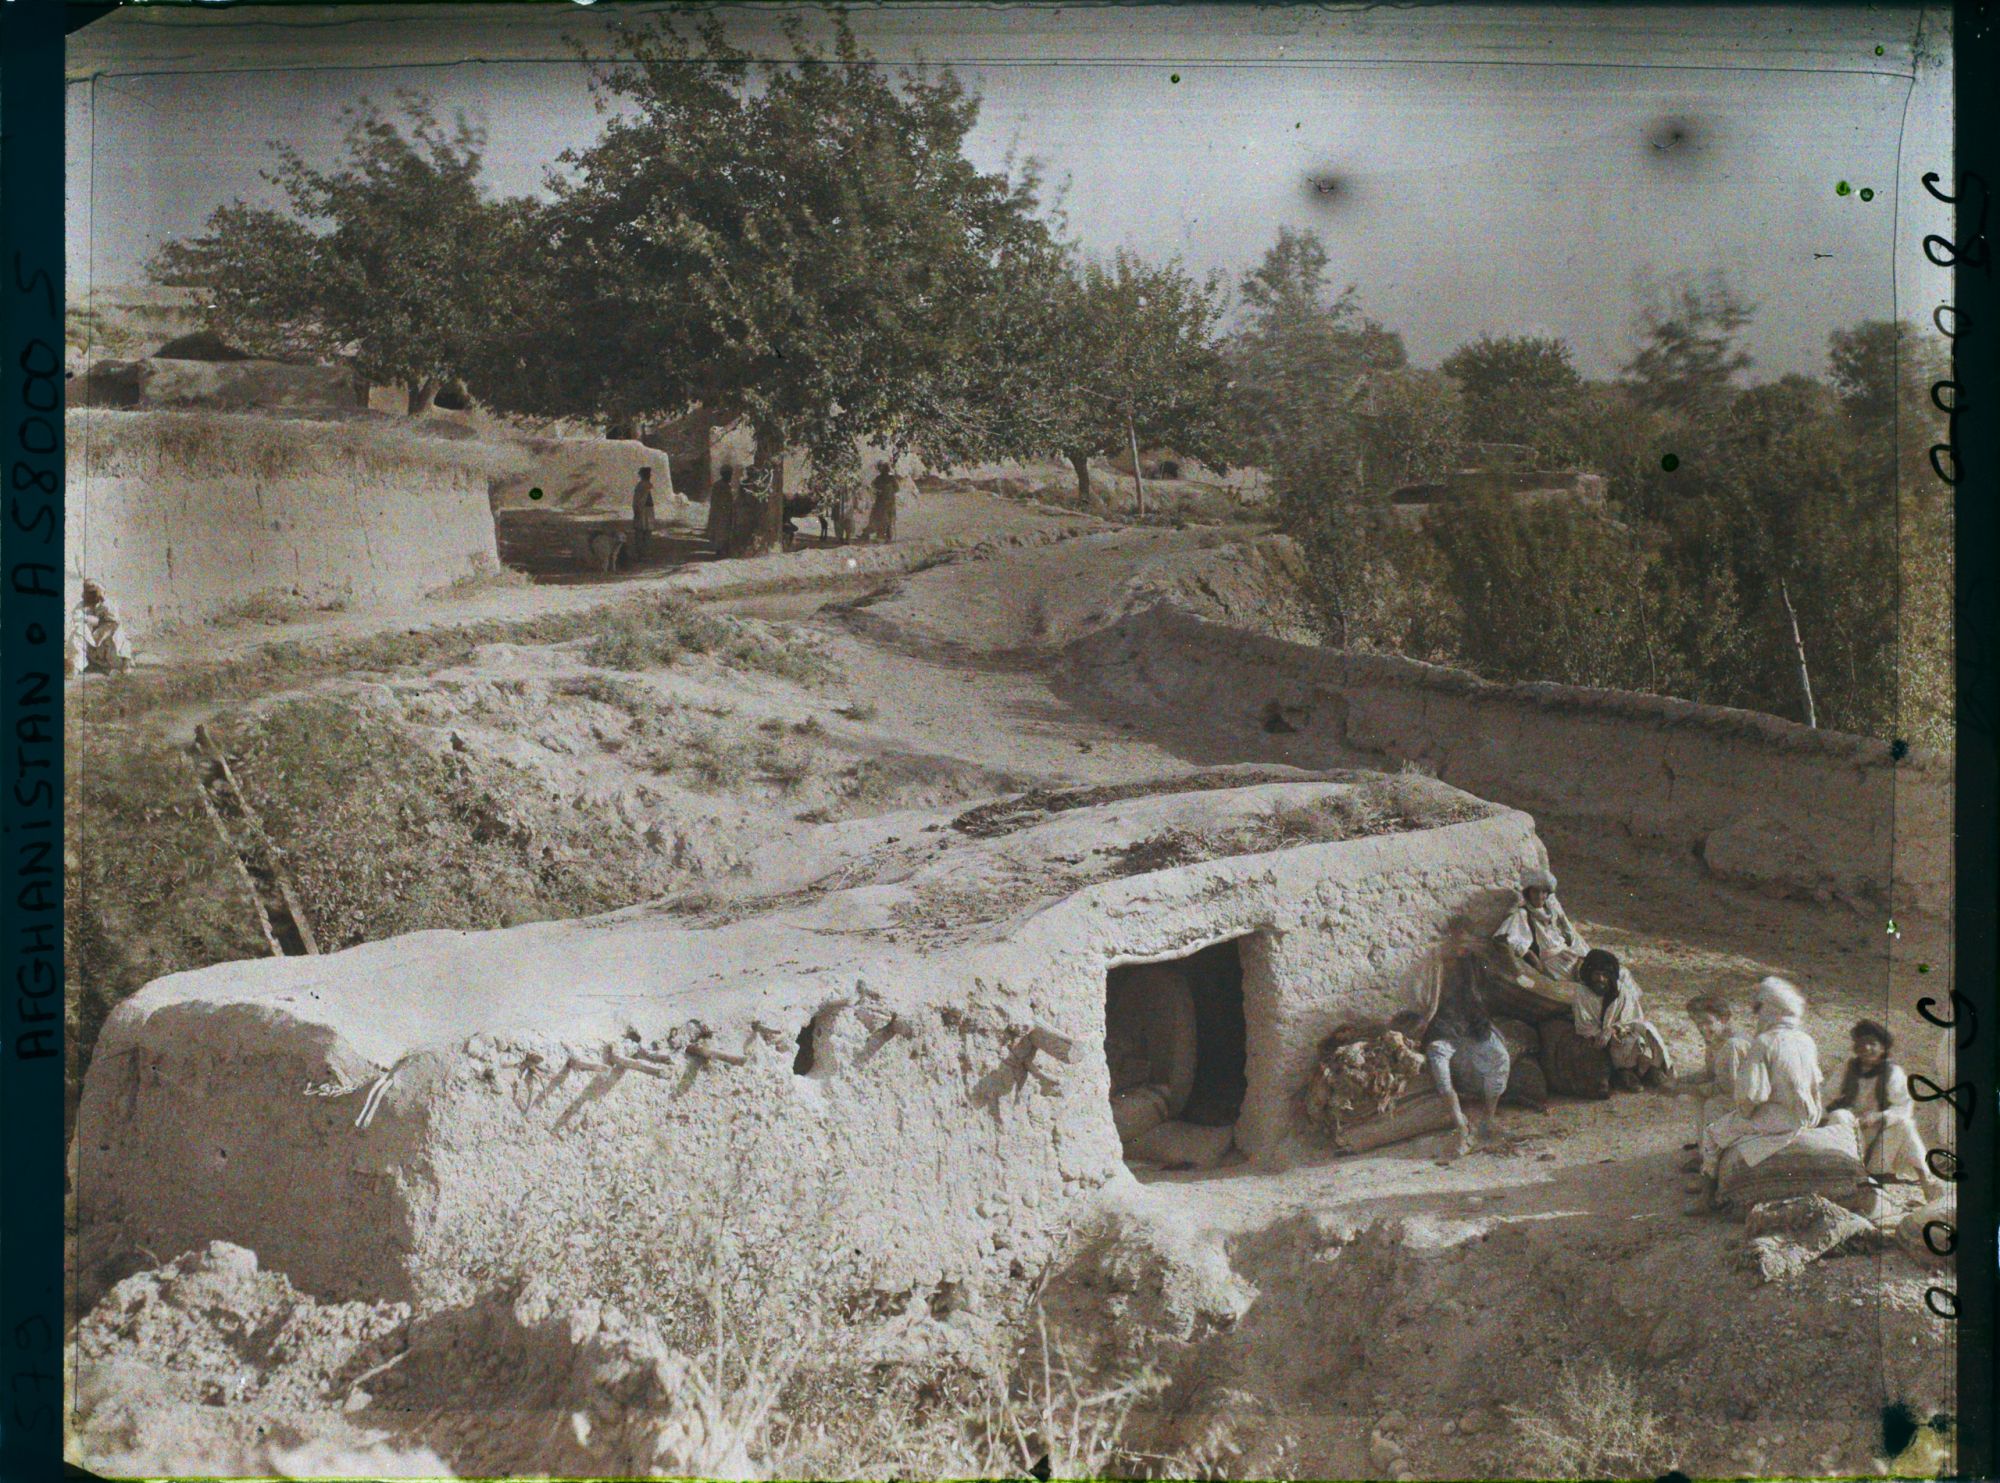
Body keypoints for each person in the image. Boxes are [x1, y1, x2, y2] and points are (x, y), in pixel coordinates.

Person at [1695, 976, 1823, 1204]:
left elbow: (1753, 1094)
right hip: (1807, 1116)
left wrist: (1742, 1113)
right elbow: (1815, 1083)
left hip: (1779, 1118)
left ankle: (1707, 1198)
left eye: (1760, 1009)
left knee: (1713, 1134)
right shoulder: (1806, 1040)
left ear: (1771, 1009)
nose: (1757, 1015)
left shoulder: (1765, 1041)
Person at [1408, 954, 1513, 1159]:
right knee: (1440, 1068)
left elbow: (1479, 1002)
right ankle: (1460, 1125)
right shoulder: (1434, 968)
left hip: (1472, 1025)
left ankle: (1488, 1120)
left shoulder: (1473, 964)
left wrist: (1490, 1027)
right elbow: (1426, 1005)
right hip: (1443, 1027)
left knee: (1500, 1058)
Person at [1824, 1019, 1939, 1193]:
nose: (1866, 1048)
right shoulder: (1847, 1068)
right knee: (1839, 1115)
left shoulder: (1893, 1072)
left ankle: (1926, 1182)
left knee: (1906, 1125)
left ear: (1883, 1048)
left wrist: (1878, 1116)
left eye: (1872, 1043)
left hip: (1879, 1137)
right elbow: (1826, 1096)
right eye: (1862, 1043)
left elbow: (1904, 1108)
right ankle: (1838, 1172)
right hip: (1850, 1131)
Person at [1572, 948, 1674, 1090]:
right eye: (1596, 974)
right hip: (1600, 1041)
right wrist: (1603, 1034)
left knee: (1647, 1030)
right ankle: (1626, 1073)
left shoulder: (1622, 992)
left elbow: (1634, 1020)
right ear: (1589, 974)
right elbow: (1584, 1025)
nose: (1601, 979)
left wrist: (1614, 1029)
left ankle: (1654, 1068)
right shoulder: (1582, 993)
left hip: (1625, 1034)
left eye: (1604, 975)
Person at [1673, 993, 1752, 1171]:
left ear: (1724, 1019)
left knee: (1712, 1105)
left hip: (1748, 1100)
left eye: (1707, 1022)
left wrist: (1685, 1088)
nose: (1702, 1028)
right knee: (1696, 1099)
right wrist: (1680, 1082)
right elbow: (1711, 1073)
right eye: (1697, 1023)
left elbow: (1727, 1088)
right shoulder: (1715, 1038)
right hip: (1734, 1093)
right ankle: (1705, 1150)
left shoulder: (1733, 1044)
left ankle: (1711, 1162)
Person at [1494, 866, 1588, 982]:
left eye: (1543, 892)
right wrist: (1535, 961)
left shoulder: (1552, 911)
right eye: (1535, 891)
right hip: (1553, 963)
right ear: (1528, 893)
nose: (1539, 896)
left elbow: (1570, 935)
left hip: (1568, 954)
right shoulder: (1523, 914)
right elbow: (1510, 940)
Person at [68, 579, 134, 676]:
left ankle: (125, 663)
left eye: (93, 593)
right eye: (89, 592)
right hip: (92, 644)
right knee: (78, 631)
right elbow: (76, 618)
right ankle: (76, 667)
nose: (91, 595)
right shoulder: (81, 606)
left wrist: (98, 623)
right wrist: (90, 620)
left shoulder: (108, 605)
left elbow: (114, 621)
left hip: (107, 644)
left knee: (118, 631)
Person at [862, 459, 899, 544]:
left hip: (883, 502)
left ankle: (883, 536)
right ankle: (884, 536)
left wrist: (880, 491)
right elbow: (896, 489)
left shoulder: (884, 478)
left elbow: (873, 487)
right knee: (886, 519)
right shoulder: (889, 478)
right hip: (887, 502)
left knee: (881, 518)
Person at [705, 466, 735, 553]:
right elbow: (716, 499)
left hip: (725, 511)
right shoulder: (719, 486)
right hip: (720, 512)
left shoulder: (726, 486)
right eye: (729, 475)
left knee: (724, 530)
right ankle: (719, 549)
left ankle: (723, 548)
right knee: (720, 530)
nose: (730, 477)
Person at [631, 466, 657, 563]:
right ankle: (643, 554)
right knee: (643, 532)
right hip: (644, 510)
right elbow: (639, 500)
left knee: (643, 532)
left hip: (646, 510)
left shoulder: (642, 485)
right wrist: (638, 510)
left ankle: (643, 553)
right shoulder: (644, 486)